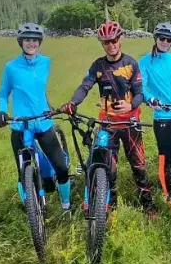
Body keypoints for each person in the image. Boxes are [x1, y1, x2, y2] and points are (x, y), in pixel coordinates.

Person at [60, 21, 153, 209]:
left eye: (114, 40)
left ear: (120, 39)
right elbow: (85, 86)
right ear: (102, 44)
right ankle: (110, 205)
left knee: (139, 166)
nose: (111, 45)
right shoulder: (98, 65)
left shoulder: (130, 63)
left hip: (130, 124)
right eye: (106, 42)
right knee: (108, 168)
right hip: (108, 124)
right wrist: (72, 102)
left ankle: (148, 205)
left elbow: (140, 93)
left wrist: (130, 105)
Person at [0, 23, 71, 209]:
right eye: (27, 40)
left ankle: (66, 205)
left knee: (61, 167)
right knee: (23, 172)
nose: (31, 43)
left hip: (43, 121)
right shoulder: (11, 67)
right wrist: (1, 111)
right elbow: (3, 93)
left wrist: (48, 106)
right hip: (20, 125)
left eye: (35, 40)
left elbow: (38, 90)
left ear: (40, 42)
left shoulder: (46, 62)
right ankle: (31, 206)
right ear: (21, 42)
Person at [140, 22, 171, 211]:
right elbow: (142, 86)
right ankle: (168, 195)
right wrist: (150, 98)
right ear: (156, 38)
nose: (165, 42)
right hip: (163, 115)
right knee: (165, 158)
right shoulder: (145, 61)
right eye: (162, 38)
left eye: (169, 39)